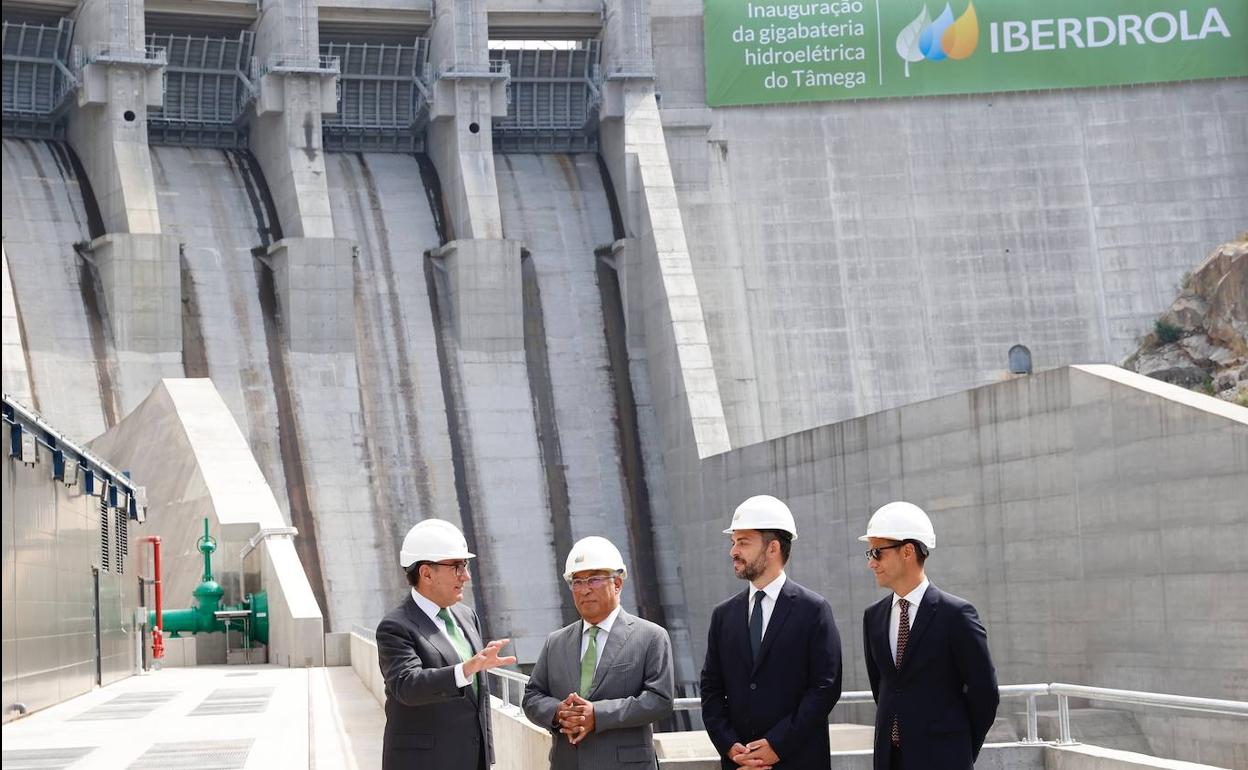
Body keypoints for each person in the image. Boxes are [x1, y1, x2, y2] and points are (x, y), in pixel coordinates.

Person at [700, 495, 843, 770]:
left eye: (743, 542)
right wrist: (731, 747)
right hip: (739, 763)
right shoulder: (723, 616)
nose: (733, 551)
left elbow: (825, 688)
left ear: (773, 548)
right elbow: (711, 690)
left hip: (798, 760)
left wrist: (777, 745)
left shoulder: (813, 610)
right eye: (733, 542)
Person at [860, 501, 999, 770]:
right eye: (869, 554)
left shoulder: (956, 615)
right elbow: (885, 688)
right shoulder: (873, 617)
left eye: (877, 552)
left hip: (944, 759)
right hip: (889, 760)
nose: (871, 563)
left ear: (907, 551)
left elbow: (984, 693)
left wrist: (960, 748)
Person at [376, 518, 516, 770]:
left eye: (466, 565)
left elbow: (478, 700)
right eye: (457, 567)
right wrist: (465, 669)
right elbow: (407, 686)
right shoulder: (395, 627)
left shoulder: (466, 616)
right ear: (426, 573)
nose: (466, 576)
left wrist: (487, 758)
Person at [523, 536, 675, 769]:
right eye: (577, 582)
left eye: (593, 580)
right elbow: (532, 696)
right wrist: (558, 712)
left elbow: (660, 700)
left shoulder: (650, 636)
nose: (584, 590)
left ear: (617, 583)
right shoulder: (556, 642)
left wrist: (598, 714)